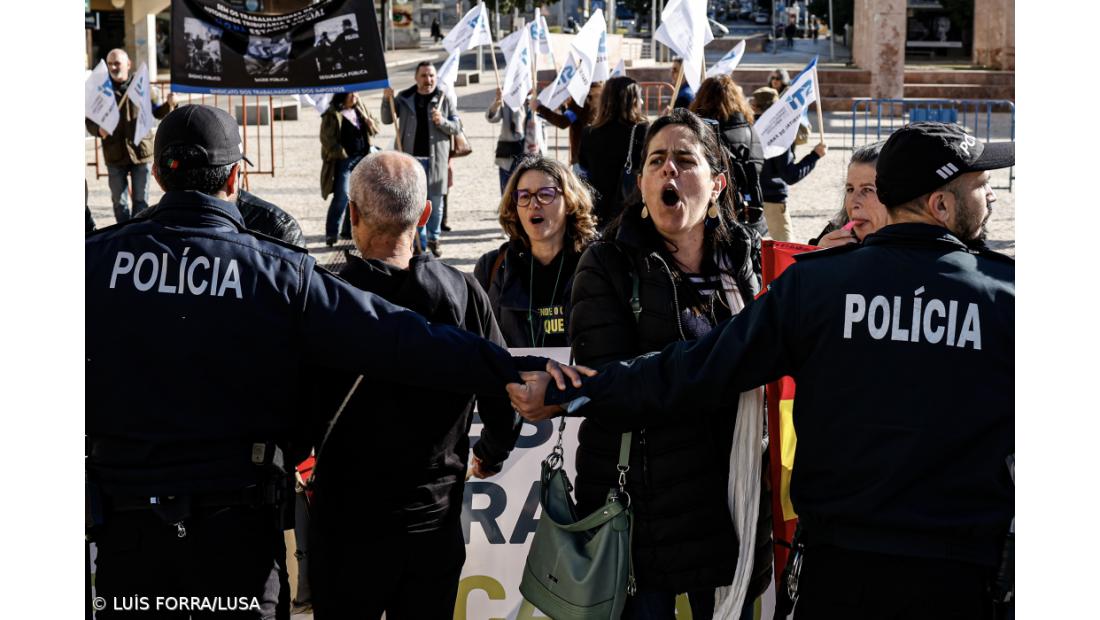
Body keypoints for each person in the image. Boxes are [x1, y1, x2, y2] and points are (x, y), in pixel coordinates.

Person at [511, 122, 1015, 620]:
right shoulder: (1007, 297)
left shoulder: (816, 286)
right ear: (940, 204)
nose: (990, 195)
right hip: (957, 571)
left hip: (841, 568)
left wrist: (576, 392)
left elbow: (694, 368)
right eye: (981, 185)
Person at [85, 105, 555, 620]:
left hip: (128, 531)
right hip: (235, 532)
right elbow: (397, 336)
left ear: (155, 174)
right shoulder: (275, 271)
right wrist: (514, 368)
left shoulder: (92, 260)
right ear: (237, 177)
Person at [568, 109, 772, 619]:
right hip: (641, 515)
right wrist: (722, 361)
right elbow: (606, 386)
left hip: (729, 502)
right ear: (641, 183)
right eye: (656, 160)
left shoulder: (743, 261)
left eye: (685, 159)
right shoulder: (607, 263)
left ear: (717, 184)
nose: (668, 170)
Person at [307, 151, 522, 618]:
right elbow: (504, 388)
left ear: (352, 214)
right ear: (425, 214)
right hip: (433, 519)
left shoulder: (325, 297)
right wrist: (491, 451)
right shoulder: (462, 291)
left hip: (346, 522)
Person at [474, 155, 598, 348]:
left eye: (545, 194)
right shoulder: (492, 268)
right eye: (524, 196)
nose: (534, 204)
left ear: (569, 202)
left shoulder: (598, 262)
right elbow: (476, 344)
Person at [85, 48, 177, 224]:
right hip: (114, 153)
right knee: (119, 203)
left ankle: (137, 232)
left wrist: (169, 103)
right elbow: (89, 120)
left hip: (141, 151)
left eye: (117, 63)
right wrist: (98, 130)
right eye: (110, 63)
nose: (113, 67)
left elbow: (158, 112)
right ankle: (123, 232)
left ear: (128, 64)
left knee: (141, 201)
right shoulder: (101, 90)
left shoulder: (142, 85)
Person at [382, 62, 461, 257]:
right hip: (411, 162)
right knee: (415, 204)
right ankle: (420, 242)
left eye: (431, 75)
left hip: (436, 160)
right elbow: (387, 119)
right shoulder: (405, 98)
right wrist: (386, 99)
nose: (428, 79)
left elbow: (457, 126)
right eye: (424, 75)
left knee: (436, 202)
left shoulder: (443, 98)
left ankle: (434, 238)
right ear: (416, 78)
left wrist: (442, 121)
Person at [690, 75, 767, 235]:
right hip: (749, 212)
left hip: (713, 214)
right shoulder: (749, 129)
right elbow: (758, 166)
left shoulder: (705, 135)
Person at [751, 86, 827, 241]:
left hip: (749, 196)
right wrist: (814, 156)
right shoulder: (779, 133)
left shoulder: (747, 128)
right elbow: (790, 175)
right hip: (772, 198)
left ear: (754, 107)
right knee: (785, 247)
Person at [578, 76, 649, 227]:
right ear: (632, 101)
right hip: (629, 209)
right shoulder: (641, 130)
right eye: (639, 97)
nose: (642, 102)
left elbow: (583, 165)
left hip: (597, 208)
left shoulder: (588, 133)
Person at [320, 92, 378, 246]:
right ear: (342, 95)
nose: (355, 96)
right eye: (351, 94)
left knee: (358, 197)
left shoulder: (361, 109)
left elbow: (376, 127)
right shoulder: (332, 114)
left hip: (363, 158)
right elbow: (327, 139)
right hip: (344, 161)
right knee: (342, 196)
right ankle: (331, 233)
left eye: (356, 93)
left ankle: (348, 231)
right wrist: (342, 154)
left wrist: (371, 123)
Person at [811, 141, 889, 247]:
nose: (853, 202)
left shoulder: (907, 250)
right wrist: (818, 252)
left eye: (867, 190)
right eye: (850, 189)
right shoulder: (832, 234)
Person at [537, 81, 603, 165]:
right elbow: (580, 117)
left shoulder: (582, 96)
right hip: (600, 154)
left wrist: (539, 108)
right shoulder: (604, 92)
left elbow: (563, 122)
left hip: (583, 158)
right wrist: (565, 107)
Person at [487, 88, 534, 193]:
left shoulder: (532, 100)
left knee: (525, 191)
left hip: (528, 153)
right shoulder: (507, 96)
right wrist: (497, 103)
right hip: (507, 154)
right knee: (507, 192)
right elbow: (492, 118)